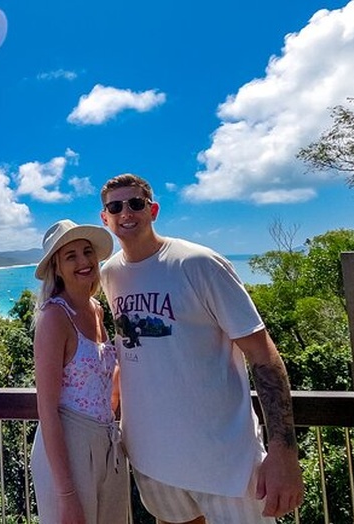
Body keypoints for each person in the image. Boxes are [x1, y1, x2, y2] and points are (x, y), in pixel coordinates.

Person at [98, 173, 304, 523]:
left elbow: (263, 355)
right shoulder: (110, 275)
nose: (126, 213)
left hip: (227, 464)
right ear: (105, 218)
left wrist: (283, 450)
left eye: (135, 203)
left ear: (153, 210)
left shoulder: (199, 264)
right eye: (115, 207)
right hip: (152, 462)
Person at [29, 219, 129, 524]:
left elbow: (102, 375)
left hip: (107, 441)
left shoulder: (97, 309)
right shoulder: (54, 318)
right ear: (56, 268)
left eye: (87, 252)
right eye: (70, 256)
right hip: (68, 446)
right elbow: (47, 410)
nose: (84, 261)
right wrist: (66, 494)